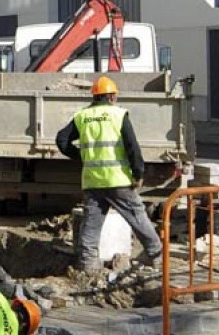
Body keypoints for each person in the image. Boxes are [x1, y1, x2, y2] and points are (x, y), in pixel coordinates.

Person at [55, 76, 163, 273]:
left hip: (93, 181)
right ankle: (156, 256)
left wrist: (82, 157)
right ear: (112, 96)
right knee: (137, 217)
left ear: (95, 96)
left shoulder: (82, 116)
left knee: (91, 224)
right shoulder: (118, 115)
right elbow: (132, 147)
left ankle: (88, 266)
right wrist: (138, 173)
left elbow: (61, 140)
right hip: (118, 180)